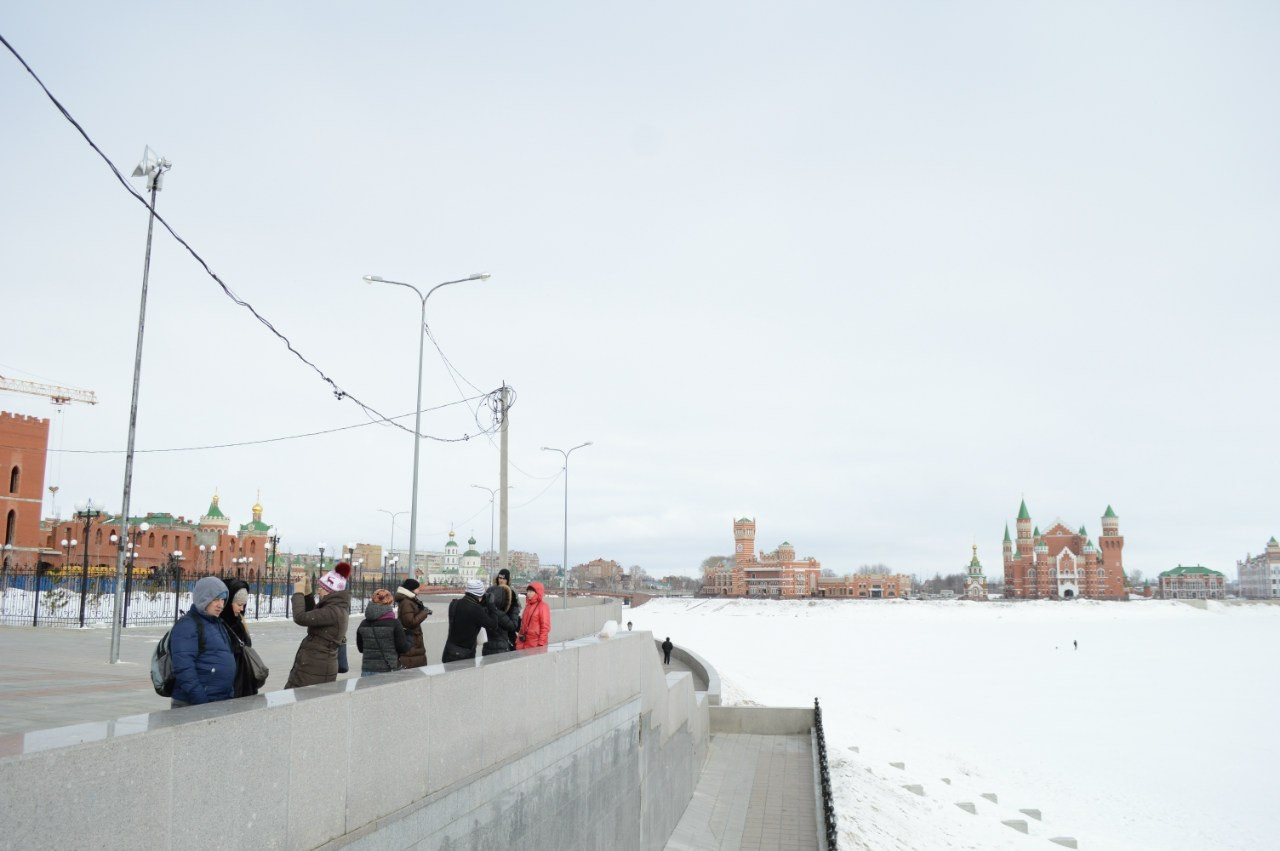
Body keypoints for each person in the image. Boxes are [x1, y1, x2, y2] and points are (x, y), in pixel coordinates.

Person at [170, 576, 236, 707]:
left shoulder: (216, 623)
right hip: (195, 704)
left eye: (223, 600)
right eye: (215, 599)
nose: (221, 605)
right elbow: (184, 668)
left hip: (218, 700)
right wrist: (201, 701)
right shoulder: (188, 625)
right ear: (203, 599)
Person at [284, 563, 351, 689]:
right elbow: (314, 616)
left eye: (321, 587)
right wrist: (308, 594)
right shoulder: (334, 608)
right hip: (313, 666)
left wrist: (298, 592)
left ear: (329, 591)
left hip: (316, 669)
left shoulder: (334, 611)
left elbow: (301, 617)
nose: (318, 590)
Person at [442, 578, 505, 663]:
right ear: (480, 594)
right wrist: (492, 606)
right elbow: (493, 625)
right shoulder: (476, 610)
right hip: (464, 656)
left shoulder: (454, 604)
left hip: (449, 651)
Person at [219, 578, 260, 697]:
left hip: (245, 682)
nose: (241, 609)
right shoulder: (219, 625)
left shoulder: (239, 621)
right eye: (239, 604)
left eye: (244, 605)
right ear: (228, 603)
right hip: (232, 685)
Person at [357, 589, 411, 677]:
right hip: (388, 670)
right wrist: (409, 636)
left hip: (367, 670)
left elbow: (361, 649)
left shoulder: (363, 624)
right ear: (389, 602)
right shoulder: (394, 623)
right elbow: (403, 648)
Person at [481, 569, 522, 656]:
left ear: (508, 580)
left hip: (506, 632)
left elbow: (514, 615)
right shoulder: (492, 590)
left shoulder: (512, 593)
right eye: (500, 578)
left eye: (504, 578)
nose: (501, 580)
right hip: (492, 632)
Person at [395, 578, 432, 668]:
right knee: (412, 667)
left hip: (413, 638)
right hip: (411, 639)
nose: (419, 590)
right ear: (412, 589)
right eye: (417, 588)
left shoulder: (410, 600)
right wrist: (424, 613)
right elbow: (410, 622)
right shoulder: (407, 602)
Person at [516, 581, 551, 650]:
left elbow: (545, 627)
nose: (528, 593)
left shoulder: (543, 607)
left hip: (535, 644)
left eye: (531, 591)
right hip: (523, 642)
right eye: (528, 591)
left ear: (537, 593)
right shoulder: (528, 606)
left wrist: (541, 644)